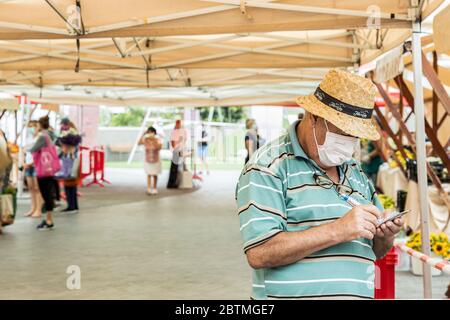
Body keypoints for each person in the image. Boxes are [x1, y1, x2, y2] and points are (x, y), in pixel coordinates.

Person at [236, 69, 403, 300]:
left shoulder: (354, 169)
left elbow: (372, 251)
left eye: (354, 136)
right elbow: (259, 253)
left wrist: (384, 236)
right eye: (342, 132)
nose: (348, 144)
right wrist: (338, 230)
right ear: (313, 117)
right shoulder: (267, 167)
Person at [30, 116, 58, 230]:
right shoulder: (50, 135)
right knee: (48, 194)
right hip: (49, 169)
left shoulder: (43, 136)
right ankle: (49, 218)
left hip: (44, 170)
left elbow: (33, 149)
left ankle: (49, 220)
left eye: (36, 126)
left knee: (46, 195)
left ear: (40, 125)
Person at [57, 121, 82, 213]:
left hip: (70, 161)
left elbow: (70, 149)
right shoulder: (75, 137)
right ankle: (73, 205)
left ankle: (72, 206)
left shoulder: (72, 138)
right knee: (70, 185)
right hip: (70, 161)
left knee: (70, 185)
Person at [23, 120, 43, 218]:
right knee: (30, 188)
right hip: (28, 165)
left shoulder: (40, 138)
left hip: (36, 165)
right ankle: (33, 208)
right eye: (29, 126)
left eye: (33, 126)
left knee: (37, 188)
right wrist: (24, 162)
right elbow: (25, 151)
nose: (31, 128)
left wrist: (30, 163)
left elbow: (40, 153)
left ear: (37, 127)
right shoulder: (28, 138)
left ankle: (38, 209)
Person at [139, 126, 162, 195]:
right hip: (148, 158)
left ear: (154, 133)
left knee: (155, 174)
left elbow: (159, 147)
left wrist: (154, 140)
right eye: (149, 132)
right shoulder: (145, 139)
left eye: (152, 132)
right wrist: (143, 134)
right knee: (149, 173)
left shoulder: (158, 139)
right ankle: (149, 188)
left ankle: (155, 188)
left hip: (156, 158)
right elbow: (139, 142)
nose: (150, 133)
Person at [167, 120, 187, 189]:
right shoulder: (174, 132)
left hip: (180, 150)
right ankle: (172, 183)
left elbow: (184, 140)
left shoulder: (182, 132)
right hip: (176, 150)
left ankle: (178, 182)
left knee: (179, 167)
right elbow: (173, 143)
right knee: (174, 168)